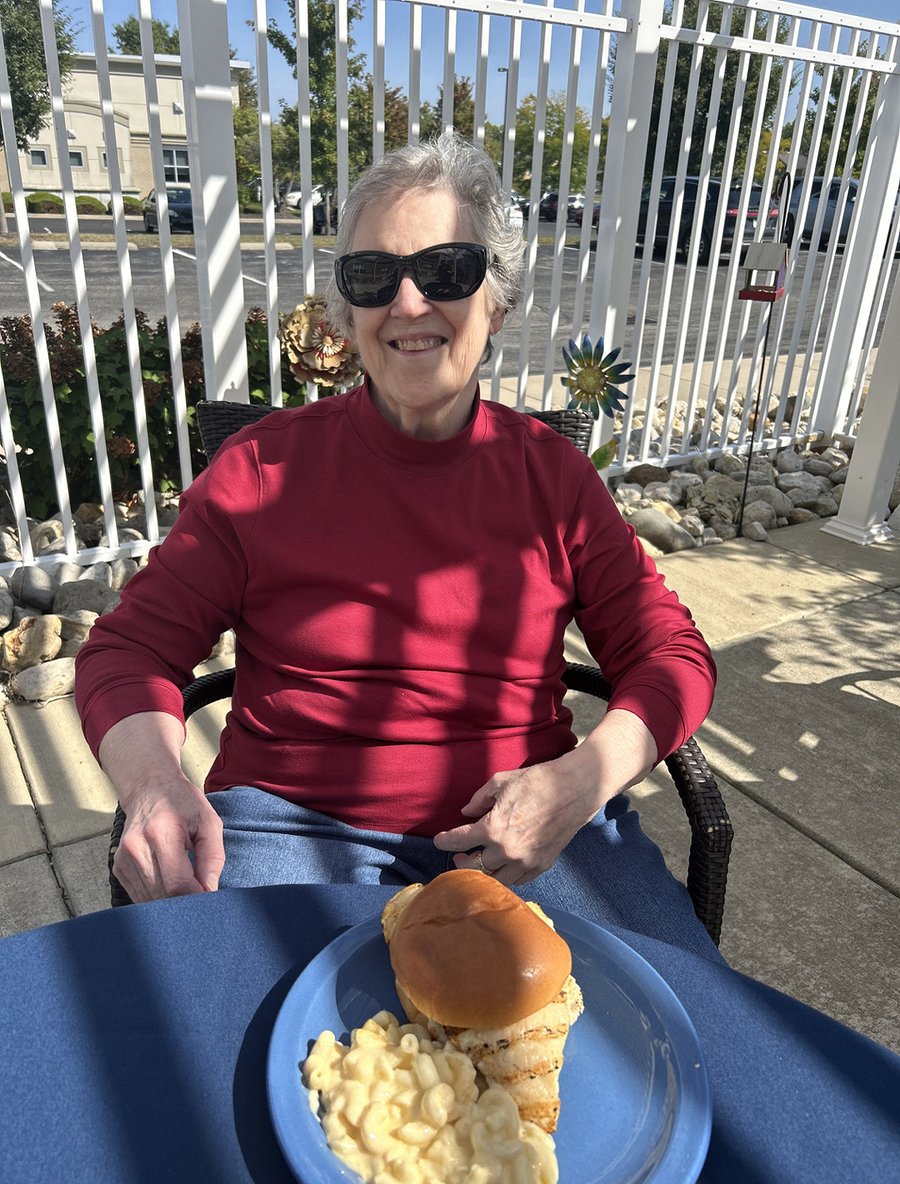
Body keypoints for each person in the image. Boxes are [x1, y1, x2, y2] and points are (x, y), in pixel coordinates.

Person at [75, 132, 718, 957]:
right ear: (349, 311)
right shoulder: (263, 471)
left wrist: (584, 780)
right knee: (210, 1057)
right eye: (374, 277)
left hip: (529, 826)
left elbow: (672, 652)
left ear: (498, 297)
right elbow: (128, 653)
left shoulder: (553, 477)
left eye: (446, 269)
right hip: (289, 827)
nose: (409, 305)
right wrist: (155, 783)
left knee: (681, 1035)